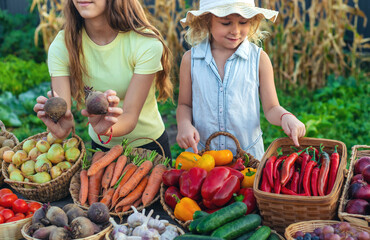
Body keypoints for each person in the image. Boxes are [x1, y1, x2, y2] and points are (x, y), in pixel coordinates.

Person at [34, 0, 173, 158]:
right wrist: (61, 125)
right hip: (100, 150)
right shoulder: (62, 46)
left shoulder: (145, 43)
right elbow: (61, 107)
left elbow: (129, 116)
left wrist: (106, 129)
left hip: (149, 148)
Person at [176, 0, 306, 160]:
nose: (235, 31)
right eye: (226, 23)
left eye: (243, 22)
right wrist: (184, 125)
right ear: (207, 21)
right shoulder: (191, 60)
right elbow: (184, 104)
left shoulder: (259, 59)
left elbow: (272, 107)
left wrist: (286, 116)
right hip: (202, 156)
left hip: (247, 159)